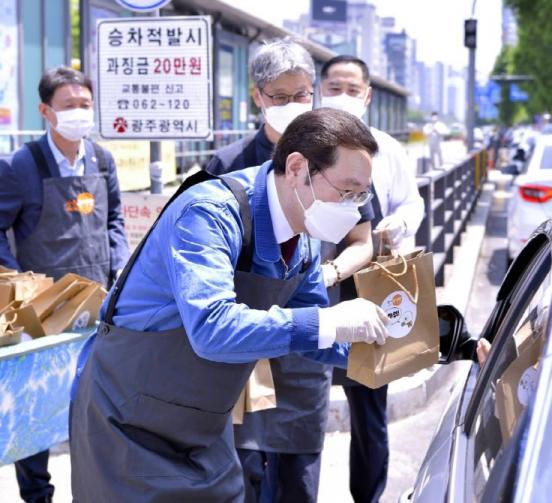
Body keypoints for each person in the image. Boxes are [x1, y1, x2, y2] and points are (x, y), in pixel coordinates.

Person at [69, 107, 391, 502]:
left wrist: (393, 347)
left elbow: (313, 336)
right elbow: (213, 329)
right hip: (128, 420)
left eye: (360, 195)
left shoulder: (304, 237)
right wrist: (330, 322)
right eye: (345, 191)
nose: (353, 209)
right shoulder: (209, 213)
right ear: (296, 169)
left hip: (203, 422)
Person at [206, 39, 375, 503]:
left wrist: (328, 276)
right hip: (243, 337)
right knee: (240, 472)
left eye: (301, 94)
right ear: (257, 96)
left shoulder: (341, 156)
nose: (293, 104)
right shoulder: (225, 169)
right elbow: (211, 312)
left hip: (309, 328)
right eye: (280, 96)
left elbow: (363, 238)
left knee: (298, 477)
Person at [0, 66, 129, 503]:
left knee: (92, 408)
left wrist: (118, 268)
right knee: (36, 407)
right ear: (45, 111)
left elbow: (114, 218)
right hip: (41, 310)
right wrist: (21, 285)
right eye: (69, 105)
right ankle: (37, 495)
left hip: (95, 304)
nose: (79, 113)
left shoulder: (102, 159)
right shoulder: (19, 166)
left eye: (85, 104)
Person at [320, 55, 425, 503]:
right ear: (319, 90)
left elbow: (412, 203)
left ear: (367, 95)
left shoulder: (387, 149)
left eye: (351, 89)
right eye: (334, 87)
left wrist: (398, 226)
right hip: (310, 291)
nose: (342, 96)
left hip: (369, 291)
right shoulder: (302, 143)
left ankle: (369, 495)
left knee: (369, 410)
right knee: (296, 405)